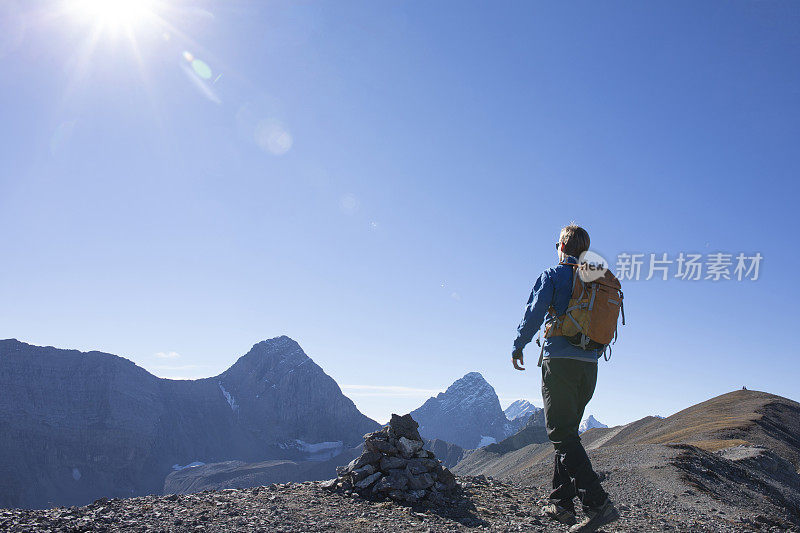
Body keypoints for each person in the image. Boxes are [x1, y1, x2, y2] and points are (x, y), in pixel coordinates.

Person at [511, 224, 620, 533]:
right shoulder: (597, 279)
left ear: (561, 246)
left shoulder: (554, 275)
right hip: (590, 366)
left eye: (557, 243)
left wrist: (519, 345)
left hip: (559, 362)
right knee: (569, 431)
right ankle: (561, 503)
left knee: (560, 433)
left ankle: (597, 504)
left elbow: (533, 313)